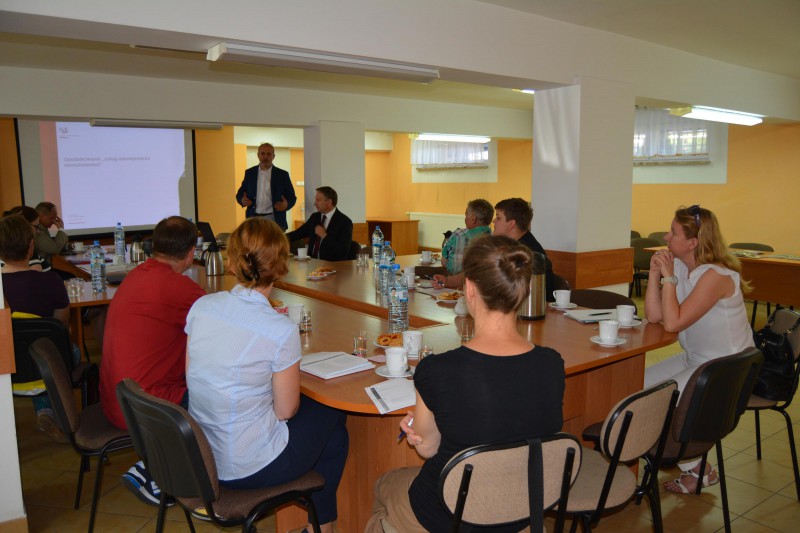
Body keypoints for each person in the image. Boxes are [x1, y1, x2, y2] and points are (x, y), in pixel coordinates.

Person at [366, 236, 565, 533]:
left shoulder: (437, 371)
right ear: (522, 291)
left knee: (386, 484)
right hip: (522, 512)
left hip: (451, 517)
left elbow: (428, 449)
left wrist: (420, 432)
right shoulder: (552, 364)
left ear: (469, 288)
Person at [186, 218, 348, 533]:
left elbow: (193, 377)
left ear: (231, 261)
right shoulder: (278, 329)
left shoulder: (202, 307)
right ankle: (321, 527)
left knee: (332, 435)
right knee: (333, 411)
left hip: (202, 459)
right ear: (281, 266)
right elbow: (285, 411)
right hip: (249, 467)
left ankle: (319, 528)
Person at [643, 204, 754, 495]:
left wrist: (668, 277)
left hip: (724, 369)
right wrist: (655, 274)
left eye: (673, 232)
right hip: (696, 358)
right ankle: (695, 466)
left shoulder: (716, 276)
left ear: (692, 242)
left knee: (657, 401)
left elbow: (673, 323)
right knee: (636, 386)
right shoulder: (682, 267)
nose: (666, 237)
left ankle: (695, 467)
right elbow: (654, 316)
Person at [99, 216, 206, 506]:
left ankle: (156, 466)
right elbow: (220, 326)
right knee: (220, 397)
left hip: (118, 398)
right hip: (147, 410)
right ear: (191, 253)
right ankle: (161, 472)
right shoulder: (179, 288)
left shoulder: (136, 275)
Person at [0, 214, 70, 440]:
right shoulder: (51, 281)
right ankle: (47, 411)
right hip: (46, 368)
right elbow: (61, 326)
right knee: (63, 350)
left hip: (6, 371)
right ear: (31, 246)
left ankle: (44, 411)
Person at [433, 198, 555, 302]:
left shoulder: (526, 252)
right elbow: (478, 272)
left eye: (498, 217)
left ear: (511, 224)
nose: (493, 221)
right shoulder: (506, 245)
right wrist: (447, 281)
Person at [235, 142, 297, 230]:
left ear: (273, 156)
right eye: (263, 153)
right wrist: (242, 200)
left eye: (268, 154)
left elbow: (292, 198)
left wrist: (286, 205)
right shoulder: (249, 173)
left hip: (274, 218)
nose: (265, 157)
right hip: (253, 218)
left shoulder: (282, 175)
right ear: (258, 155)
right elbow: (239, 194)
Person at [286, 186, 353, 261]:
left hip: (332, 265)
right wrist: (279, 237)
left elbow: (343, 251)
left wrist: (324, 236)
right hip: (312, 263)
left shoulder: (344, 222)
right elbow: (298, 233)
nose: (315, 203)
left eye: (318, 200)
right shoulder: (315, 217)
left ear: (329, 202)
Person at [440, 198, 493, 275]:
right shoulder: (494, 238)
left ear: (473, 218)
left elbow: (444, 262)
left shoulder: (458, 235)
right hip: (481, 280)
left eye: (466, 214)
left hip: (454, 279)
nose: (465, 218)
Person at [2, 206, 50, 271]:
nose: (38, 231)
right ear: (24, 225)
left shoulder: (6, 248)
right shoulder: (25, 251)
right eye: (36, 226)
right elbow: (36, 276)